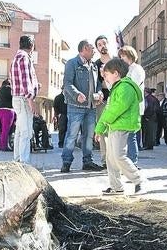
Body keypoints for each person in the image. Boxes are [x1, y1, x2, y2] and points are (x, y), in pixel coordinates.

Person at [94, 58, 142, 195]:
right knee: (110, 158)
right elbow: (109, 110)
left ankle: (138, 180)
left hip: (121, 125)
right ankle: (116, 186)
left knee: (118, 156)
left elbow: (115, 109)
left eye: (106, 75)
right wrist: (100, 129)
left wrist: (100, 127)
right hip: (115, 125)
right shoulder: (117, 88)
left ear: (115, 73)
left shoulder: (125, 87)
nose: (105, 78)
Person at [61, 40, 104, 173]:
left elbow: (97, 84)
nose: (94, 51)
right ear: (85, 49)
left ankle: (88, 162)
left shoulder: (94, 66)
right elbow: (67, 83)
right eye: (92, 49)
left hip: (91, 107)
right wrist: (77, 94)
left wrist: (100, 92)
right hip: (75, 106)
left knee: (89, 136)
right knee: (72, 135)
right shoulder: (72, 63)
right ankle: (66, 162)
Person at [10, 35, 38, 163]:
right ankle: (24, 162)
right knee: (26, 132)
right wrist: (31, 101)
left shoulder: (16, 57)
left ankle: (17, 159)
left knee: (20, 131)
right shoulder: (25, 58)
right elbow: (25, 82)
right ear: (31, 46)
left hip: (17, 98)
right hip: (23, 99)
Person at [119, 45, 144, 165]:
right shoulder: (126, 70)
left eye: (123, 56)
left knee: (131, 135)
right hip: (126, 106)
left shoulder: (137, 69)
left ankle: (132, 162)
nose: (121, 58)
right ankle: (129, 161)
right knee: (128, 135)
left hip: (133, 107)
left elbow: (132, 86)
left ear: (129, 56)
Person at [94, 35, 112, 168]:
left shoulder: (116, 61)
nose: (102, 46)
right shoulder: (96, 64)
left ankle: (116, 159)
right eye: (99, 44)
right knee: (103, 131)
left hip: (117, 100)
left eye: (104, 43)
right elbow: (96, 84)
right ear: (97, 48)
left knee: (116, 130)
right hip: (103, 101)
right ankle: (105, 160)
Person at [0, 79, 14, 151]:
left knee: (2, 130)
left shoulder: (0, 90)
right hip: (8, 111)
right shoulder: (9, 89)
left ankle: (1, 145)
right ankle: (3, 146)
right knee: (6, 130)